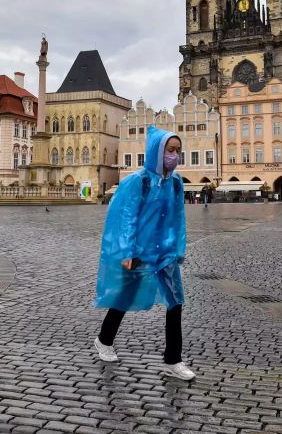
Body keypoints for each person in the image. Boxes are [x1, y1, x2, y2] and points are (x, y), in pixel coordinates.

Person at [92, 125, 194, 381]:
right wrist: (126, 251)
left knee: (176, 303)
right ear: (157, 152)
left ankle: (174, 360)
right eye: (170, 150)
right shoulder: (139, 181)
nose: (175, 156)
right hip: (139, 252)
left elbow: (178, 217)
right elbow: (127, 217)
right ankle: (104, 340)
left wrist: (179, 247)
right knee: (124, 297)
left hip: (166, 252)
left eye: (178, 151)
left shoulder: (177, 182)